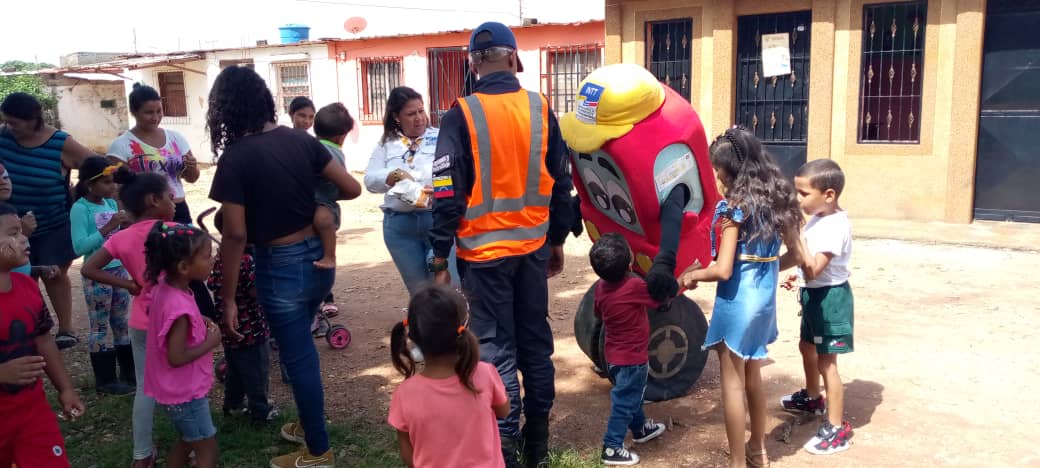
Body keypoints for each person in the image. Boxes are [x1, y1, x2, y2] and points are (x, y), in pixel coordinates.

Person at [428, 22, 576, 468]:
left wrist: (439, 255)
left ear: (473, 63)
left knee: (495, 349)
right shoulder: (540, 107)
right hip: (531, 249)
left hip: (482, 256)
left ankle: (505, 450)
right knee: (535, 344)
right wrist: (555, 240)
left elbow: (445, 189)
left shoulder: (461, 114)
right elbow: (561, 181)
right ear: (513, 58)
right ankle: (539, 448)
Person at [206, 65, 362, 468]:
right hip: (319, 262)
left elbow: (235, 234)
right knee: (302, 351)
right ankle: (311, 425)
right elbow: (351, 188)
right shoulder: (301, 140)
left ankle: (318, 449)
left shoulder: (236, 158)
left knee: (299, 357)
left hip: (280, 268)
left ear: (224, 110)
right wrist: (310, 205)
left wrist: (226, 299)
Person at [680, 126, 809, 468]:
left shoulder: (732, 209)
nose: (717, 176)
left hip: (736, 303)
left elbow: (723, 270)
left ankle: (737, 462)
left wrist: (691, 274)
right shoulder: (779, 201)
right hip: (763, 303)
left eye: (718, 170)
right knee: (753, 375)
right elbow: (799, 256)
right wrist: (766, 267)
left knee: (732, 385)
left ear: (733, 170)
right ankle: (758, 450)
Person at [81, 169, 177, 468]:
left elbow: (88, 269)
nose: (174, 204)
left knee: (145, 386)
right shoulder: (175, 231)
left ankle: (141, 455)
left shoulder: (121, 238)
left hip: (141, 320)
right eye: (170, 198)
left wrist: (131, 285)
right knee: (180, 380)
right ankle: (193, 438)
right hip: (176, 317)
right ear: (153, 200)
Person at [106, 83, 217, 322]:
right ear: (134, 112)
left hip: (177, 208)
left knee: (189, 264)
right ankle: (164, 319)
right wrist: (126, 217)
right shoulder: (121, 145)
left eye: (159, 111)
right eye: (149, 112)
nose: (155, 117)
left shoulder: (175, 138)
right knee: (156, 269)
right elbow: (116, 187)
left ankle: (205, 317)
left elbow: (192, 178)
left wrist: (190, 168)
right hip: (145, 215)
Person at [1, 92, 94, 349]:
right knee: (19, 276)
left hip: (54, 221)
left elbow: (97, 166)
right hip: (11, 224)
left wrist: (77, 197)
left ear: (33, 120)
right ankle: (28, 329)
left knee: (54, 273)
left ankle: (66, 329)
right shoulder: (3, 137)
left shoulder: (60, 142)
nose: (9, 127)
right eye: (5, 121)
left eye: (14, 122)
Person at [0, 202, 85, 468]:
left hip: (32, 410)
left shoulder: (26, 286)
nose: (24, 238)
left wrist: (66, 388)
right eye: (13, 234)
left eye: (22, 231)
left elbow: (43, 339)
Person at [779, 159, 855, 455]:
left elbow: (814, 269)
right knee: (805, 345)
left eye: (803, 194)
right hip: (814, 296)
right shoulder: (820, 218)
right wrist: (773, 268)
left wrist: (793, 236)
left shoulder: (834, 226)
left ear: (829, 194)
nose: (798, 200)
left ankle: (837, 428)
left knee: (827, 364)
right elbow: (800, 259)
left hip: (830, 300)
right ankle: (813, 398)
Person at [388, 284, 509, 468]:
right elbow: (503, 411)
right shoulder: (484, 373)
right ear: (464, 329)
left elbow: (408, 453)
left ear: (412, 337)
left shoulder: (404, 393)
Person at [142, 221, 221, 468]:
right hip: (184, 393)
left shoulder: (165, 288)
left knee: (187, 441)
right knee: (207, 447)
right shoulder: (180, 307)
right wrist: (211, 342)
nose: (212, 260)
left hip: (170, 390)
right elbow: (176, 357)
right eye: (207, 257)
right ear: (184, 266)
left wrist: (198, 318)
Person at [364, 86, 458, 294]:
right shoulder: (386, 144)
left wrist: (439, 192)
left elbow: (453, 172)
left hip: (437, 222)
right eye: (411, 113)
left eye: (421, 111)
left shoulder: (441, 137)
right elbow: (370, 180)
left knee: (446, 287)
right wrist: (392, 176)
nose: (419, 118)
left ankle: (453, 326)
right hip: (400, 228)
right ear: (396, 117)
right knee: (419, 291)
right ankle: (425, 326)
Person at [589, 233, 668, 465]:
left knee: (631, 395)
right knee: (626, 401)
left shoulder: (601, 288)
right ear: (629, 263)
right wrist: (679, 280)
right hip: (632, 360)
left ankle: (641, 428)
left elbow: (597, 313)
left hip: (612, 356)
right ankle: (612, 447)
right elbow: (659, 300)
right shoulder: (634, 285)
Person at [199, 208, 277, 424]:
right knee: (256, 370)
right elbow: (255, 291)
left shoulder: (221, 257)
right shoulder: (246, 261)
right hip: (250, 328)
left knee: (236, 369)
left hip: (229, 328)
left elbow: (214, 284)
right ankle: (261, 411)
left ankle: (233, 405)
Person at [70, 157, 134, 395]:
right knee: (99, 325)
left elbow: (119, 237)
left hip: (118, 269)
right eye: (106, 183)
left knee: (121, 322)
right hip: (97, 273)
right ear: (89, 184)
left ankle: (128, 373)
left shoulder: (109, 203)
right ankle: (105, 380)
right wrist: (107, 228)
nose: (112, 187)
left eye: (113, 182)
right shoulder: (80, 208)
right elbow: (79, 247)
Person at [290, 96, 338, 319]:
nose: (306, 121)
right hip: (298, 205)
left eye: (310, 117)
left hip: (317, 203)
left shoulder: (317, 144)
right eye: (302, 116)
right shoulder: (285, 142)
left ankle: (326, 299)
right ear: (292, 115)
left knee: (319, 249)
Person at [311, 103, 354, 270]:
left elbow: (343, 181)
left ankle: (330, 256)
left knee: (324, 220)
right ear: (341, 136)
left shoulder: (328, 151)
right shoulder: (326, 149)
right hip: (314, 197)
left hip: (324, 200)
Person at [0, 161, 59, 280]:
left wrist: (37, 269)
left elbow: (13, 268)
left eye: (5, 177)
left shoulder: (9, 212)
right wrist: (23, 233)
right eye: (13, 234)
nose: (3, 182)